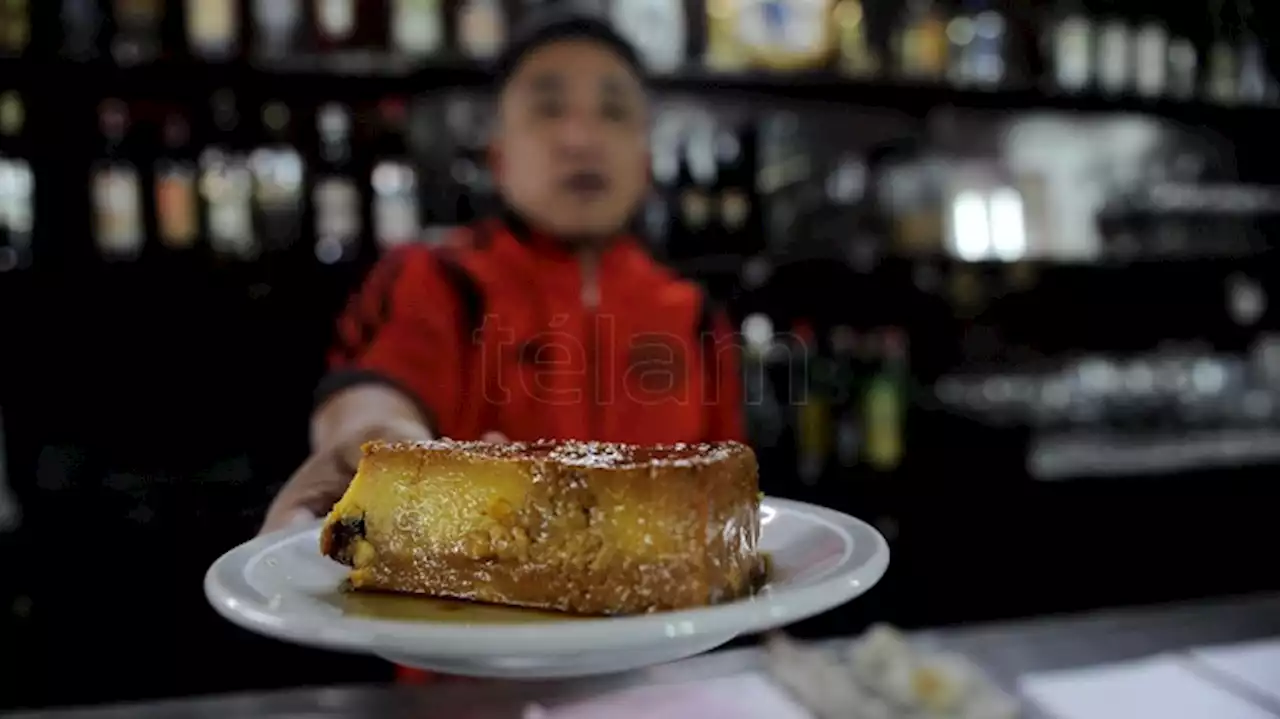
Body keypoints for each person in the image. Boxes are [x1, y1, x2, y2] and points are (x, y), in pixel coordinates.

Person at [262, 14, 744, 540]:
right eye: (548, 110)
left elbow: (728, 502)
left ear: (646, 162)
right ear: (499, 158)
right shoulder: (436, 277)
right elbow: (374, 392)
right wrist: (374, 440)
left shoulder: (695, 316)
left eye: (613, 112)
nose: (581, 139)